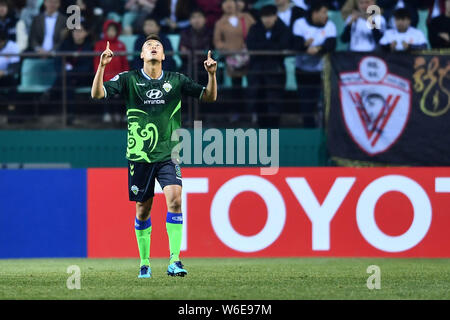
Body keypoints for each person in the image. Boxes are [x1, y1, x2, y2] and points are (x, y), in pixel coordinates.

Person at [90, 34, 217, 278]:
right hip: (140, 155)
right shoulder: (129, 79)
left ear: (164, 55)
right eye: (148, 46)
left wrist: (211, 74)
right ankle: (145, 263)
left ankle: (175, 260)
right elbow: (97, 94)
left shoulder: (176, 79)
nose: (153, 48)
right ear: (141, 55)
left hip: (169, 153)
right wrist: (102, 68)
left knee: (176, 200)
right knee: (142, 210)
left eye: (157, 46)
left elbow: (209, 96)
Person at [292, 1, 336, 128]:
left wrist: (318, 49)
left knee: (321, 102)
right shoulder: (300, 24)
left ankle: (322, 128)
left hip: (320, 71)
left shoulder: (330, 26)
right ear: (315, 13)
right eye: (323, 12)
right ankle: (308, 129)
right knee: (305, 103)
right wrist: (305, 46)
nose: (326, 15)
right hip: (302, 70)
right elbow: (295, 43)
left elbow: (331, 44)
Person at [246, 4, 290, 127]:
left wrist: (263, 46)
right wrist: (270, 46)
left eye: (270, 16)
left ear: (275, 16)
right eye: (264, 17)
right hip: (257, 73)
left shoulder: (283, 29)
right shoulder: (255, 28)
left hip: (275, 72)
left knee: (275, 103)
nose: (267, 19)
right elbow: (251, 45)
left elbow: (284, 45)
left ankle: (274, 131)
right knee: (259, 102)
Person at [94, 19, 129, 122]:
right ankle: (107, 114)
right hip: (105, 77)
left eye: (113, 30)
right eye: (109, 30)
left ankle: (120, 114)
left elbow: (125, 63)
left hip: (119, 77)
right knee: (107, 95)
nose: (111, 33)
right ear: (105, 31)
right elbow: (97, 62)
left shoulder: (121, 45)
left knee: (121, 95)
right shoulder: (99, 45)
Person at [214, 0, 255, 87]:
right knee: (236, 85)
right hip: (233, 59)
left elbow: (257, 31)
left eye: (230, 1)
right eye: (225, 2)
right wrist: (227, 48)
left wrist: (250, 44)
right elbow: (217, 41)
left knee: (253, 83)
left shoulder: (246, 17)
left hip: (249, 56)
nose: (228, 4)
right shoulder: (220, 23)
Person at [179, 8, 212, 83]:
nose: (197, 20)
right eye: (193, 17)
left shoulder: (210, 33)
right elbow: (182, 52)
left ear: (205, 19)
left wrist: (193, 54)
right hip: (188, 65)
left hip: (205, 65)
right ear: (190, 21)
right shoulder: (185, 33)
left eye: (199, 17)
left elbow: (210, 52)